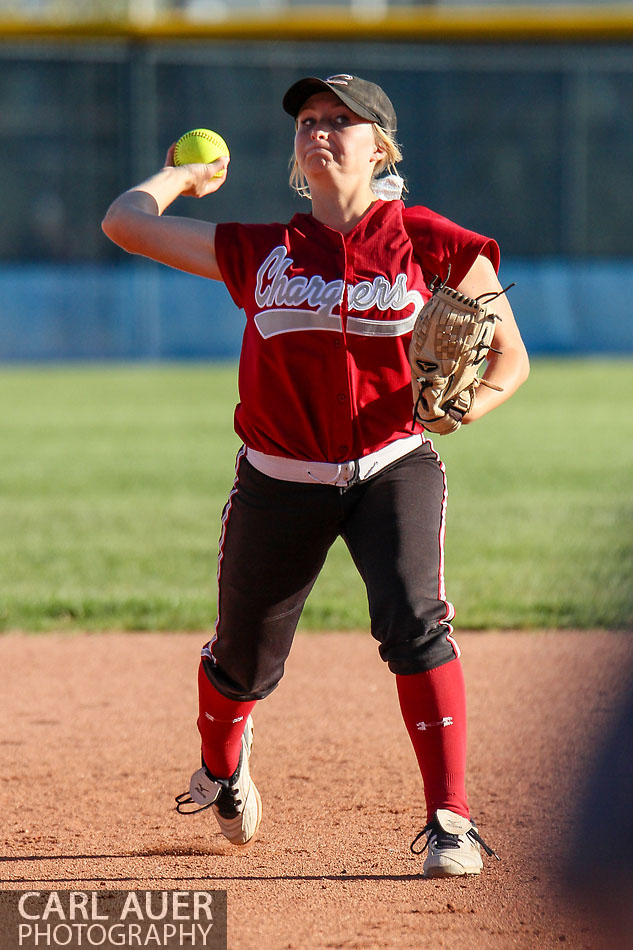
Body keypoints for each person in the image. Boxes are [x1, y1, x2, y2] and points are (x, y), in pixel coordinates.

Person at [102, 73, 529, 877]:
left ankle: (451, 820)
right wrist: (183, 178)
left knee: (415, 622)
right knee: (240, 662)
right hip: (276, 476)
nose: (319, 131)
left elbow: (510, 356)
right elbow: (124, 223)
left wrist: (464, 411)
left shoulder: (430, 241)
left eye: (341, 120)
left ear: (380, 147)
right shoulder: (261, 251)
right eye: (307, 121)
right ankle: (224, 772)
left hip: (392, 464)